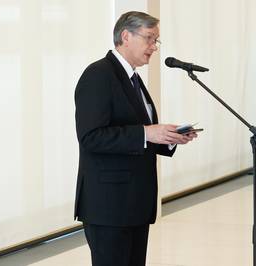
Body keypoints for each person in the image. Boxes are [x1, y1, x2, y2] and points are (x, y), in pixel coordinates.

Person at [74, 11, 197, 266]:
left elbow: (139, 132)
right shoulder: (98, 75)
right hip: (109, 205)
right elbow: (91, 137)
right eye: (150, 38)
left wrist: (168, 137)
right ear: (126, 36)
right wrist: (147, 132)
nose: (154, 47)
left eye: (156, 40)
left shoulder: (133, 78)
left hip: (134, 203)